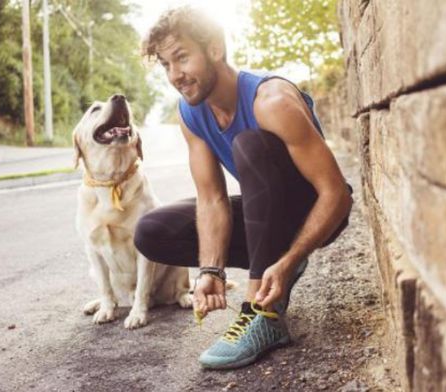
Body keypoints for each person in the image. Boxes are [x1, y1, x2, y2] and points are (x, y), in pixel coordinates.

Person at [135, 5, 353, 370]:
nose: (175, 75)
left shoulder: (271, 101)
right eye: (165, 65)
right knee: (151, 231)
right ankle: (269, 268)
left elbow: (338, 196)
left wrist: (289, 260)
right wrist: (211, 271)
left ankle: (261, 314)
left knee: (249, 145)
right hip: (266, 211)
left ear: (215, 48)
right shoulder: (191, 113)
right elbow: (212, 199)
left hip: (315, 212)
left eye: (182, 58)